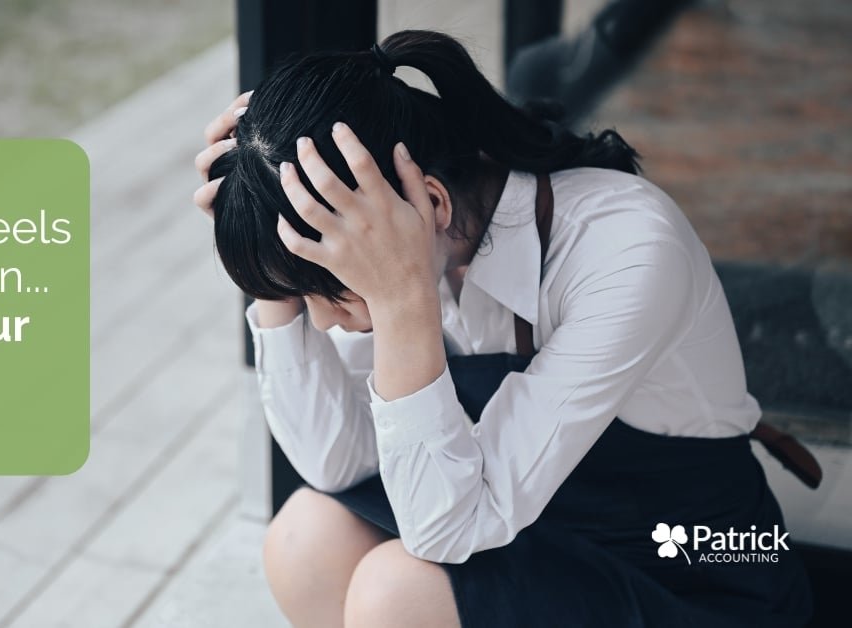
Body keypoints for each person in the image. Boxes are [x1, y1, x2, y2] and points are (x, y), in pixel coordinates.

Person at [193, 29, 814, 628]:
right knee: (308, 539)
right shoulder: (399, 244)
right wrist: (269, 280)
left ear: (432, 204)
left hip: (696, 560)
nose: (324, 320)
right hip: (541, 526)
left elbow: (449, 530)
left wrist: (402, 300)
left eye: (327, 293)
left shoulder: (626, 244)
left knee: (397, 594)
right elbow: (338, 464)